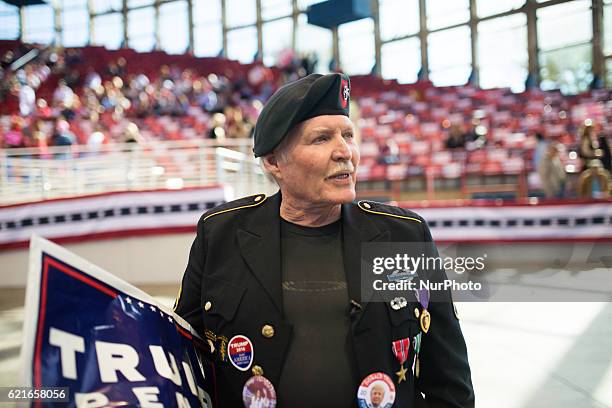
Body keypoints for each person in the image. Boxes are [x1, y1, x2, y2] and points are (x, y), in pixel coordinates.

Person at [174, 73, 474, 407]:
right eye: (321, 139)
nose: (345, 151)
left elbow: (450, 383)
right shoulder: (221, 234)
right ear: (274, 162)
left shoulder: (404, 235)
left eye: (348, 135)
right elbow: (180, 355)